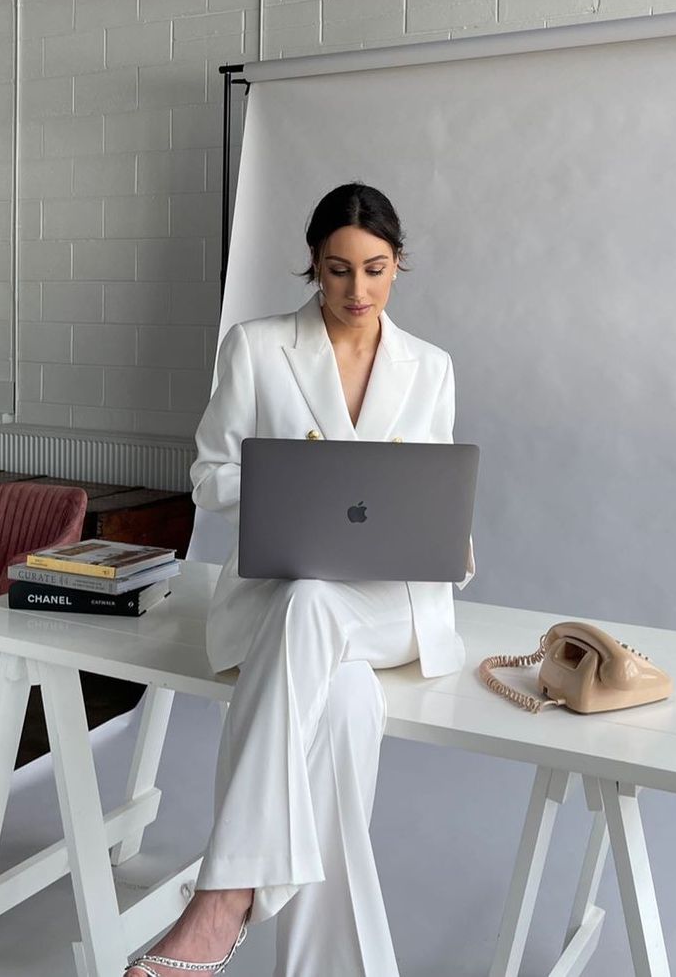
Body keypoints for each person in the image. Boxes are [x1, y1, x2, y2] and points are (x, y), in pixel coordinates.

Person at [125, 182, 476, 977]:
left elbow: (439, 492)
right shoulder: (256, 347)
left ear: (400, 266)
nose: (358, 291)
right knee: (343, 705)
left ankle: (225, 896)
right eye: (338, 269)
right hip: (288, 595)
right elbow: (211, 476)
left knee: (321, 614)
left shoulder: (431, 367)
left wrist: (449, 538)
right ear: (312, 265)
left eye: (376, 270)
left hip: (391, 607)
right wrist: (291, 492)